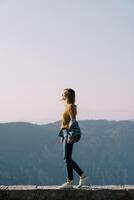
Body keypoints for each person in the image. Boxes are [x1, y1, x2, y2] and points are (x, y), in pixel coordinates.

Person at [58, 88, 88, 189]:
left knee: (66, 158)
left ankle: (70, 182)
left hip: (69, 133)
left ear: (67, 95)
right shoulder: (67, 106)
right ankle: (82, 176)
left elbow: (73, 121)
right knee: (68, 158)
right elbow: (65, 122)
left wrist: (69, 136)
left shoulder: (70, 106)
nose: (62, 94)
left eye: (63, 92)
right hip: (66, 133)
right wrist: (62, 134)